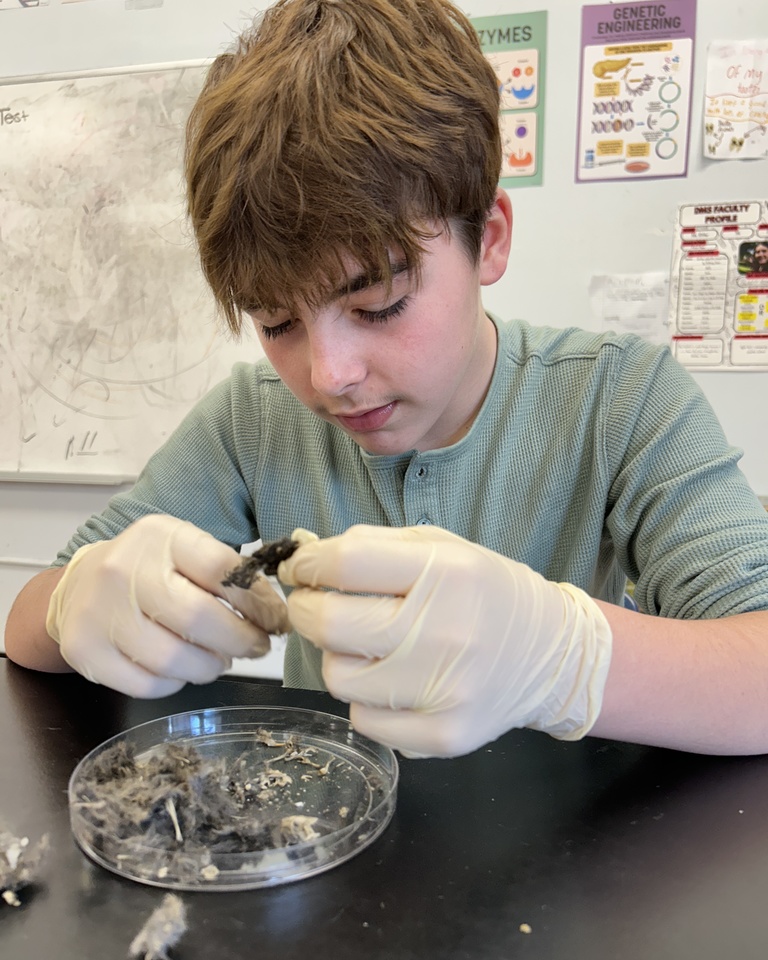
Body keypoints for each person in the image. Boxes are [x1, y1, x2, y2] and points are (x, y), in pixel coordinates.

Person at [6, 0, 768, 759]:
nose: (329, 376)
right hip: (329, 813)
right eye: (276, 322)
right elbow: (25, 623)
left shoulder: (621, 397)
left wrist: (563, 661)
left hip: (573, 824)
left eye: (379, 305)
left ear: (488, 239)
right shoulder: (251, 420)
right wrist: (75, 600)